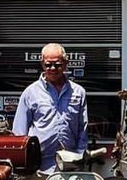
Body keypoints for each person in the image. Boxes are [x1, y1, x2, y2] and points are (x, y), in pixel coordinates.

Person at [12, 42, 88, 172]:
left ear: (65, 63)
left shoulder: (78, 92)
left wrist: (80, 156)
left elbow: (83, 127)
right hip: (39, 166)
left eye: (57, 64)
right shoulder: (30, 93)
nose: (53, 68)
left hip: (70, 164)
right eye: (48, 65)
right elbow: (19, 132)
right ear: (42, 64)